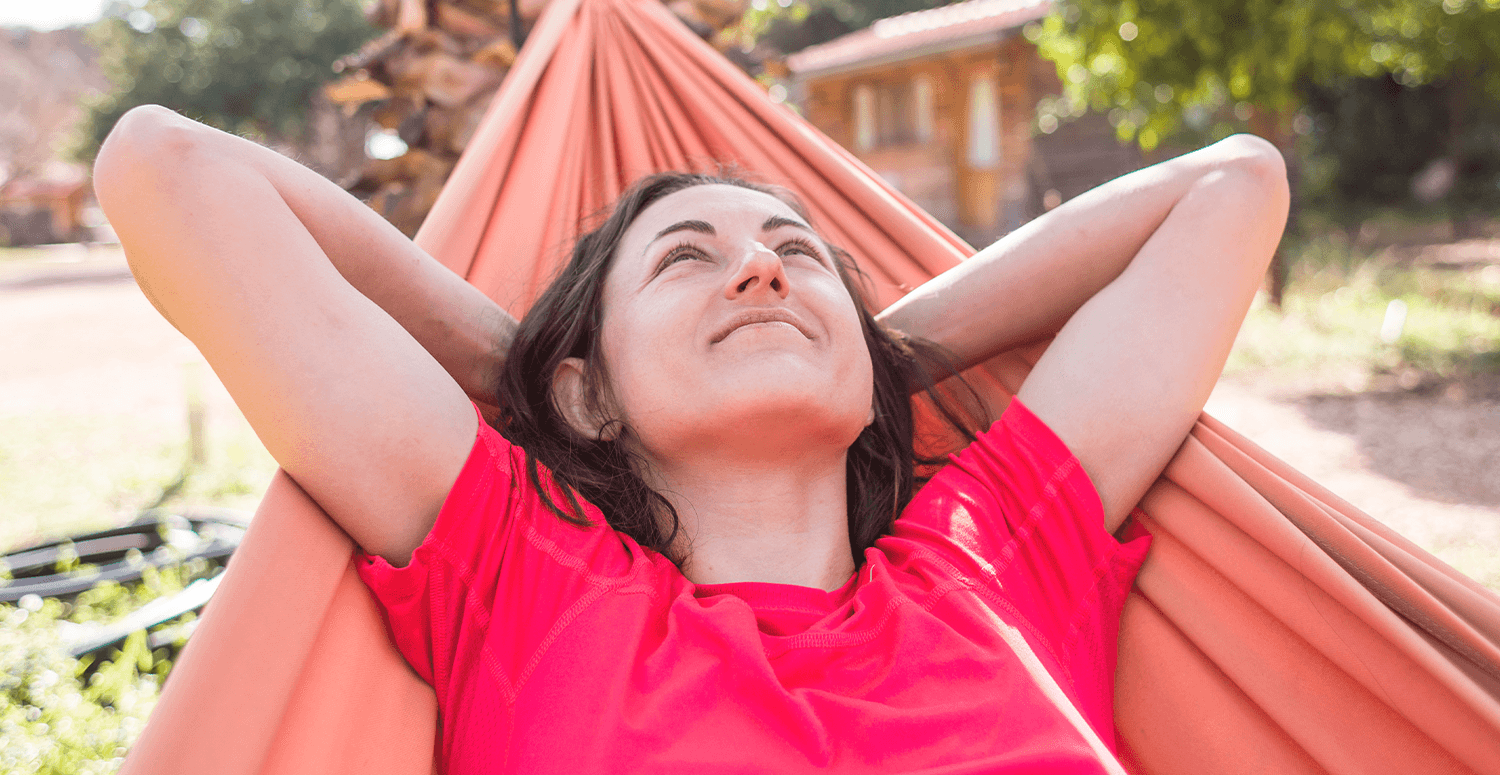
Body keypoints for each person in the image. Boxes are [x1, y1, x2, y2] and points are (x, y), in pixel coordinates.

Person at [94, 104, 1289, 773]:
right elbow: (168, 167)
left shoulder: (991, 561)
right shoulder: (527, 577)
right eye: (687, 258)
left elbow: (1233, 185)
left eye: (797, 255)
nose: (764, 265)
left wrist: (878, 352)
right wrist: (521, 371)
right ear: (588, 398)